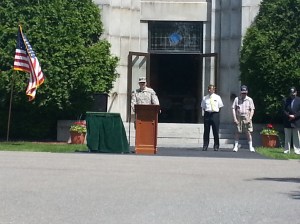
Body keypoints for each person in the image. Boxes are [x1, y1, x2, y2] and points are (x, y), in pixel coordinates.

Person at [232, 85, 255, 152]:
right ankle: (236, 146)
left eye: (245, 93)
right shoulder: (237, 99)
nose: (244, 94)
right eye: (242, 93)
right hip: (239, 116)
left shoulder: (249, 99)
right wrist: (234, 118)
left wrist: (250, 118)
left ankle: (250, 146)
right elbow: (233, 108)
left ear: (247, 92)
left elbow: (252, 109)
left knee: (248, 132)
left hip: (246, 116)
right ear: (240, 92)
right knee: (237, 132)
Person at [201, 84, 224, 151]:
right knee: (206, 131)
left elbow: (220, 107)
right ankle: (205, 145)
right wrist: (207, 112)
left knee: (215, 131)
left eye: (211, 89)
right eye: (209, 89)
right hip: (207, 114)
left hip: (215, 114)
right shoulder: (205, 98)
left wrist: (216, 113)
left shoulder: (217, 97)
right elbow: (203, 107)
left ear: (213, 90)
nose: (209, 90)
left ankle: (216, 145)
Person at [282, 87, 300, 154]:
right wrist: (289, 115)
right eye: (291, 93)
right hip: (288, 120)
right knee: (287, 137)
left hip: (296, 121)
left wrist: (295, 116)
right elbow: (283, 110)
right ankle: (287, 150)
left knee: (297, 137)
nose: (292, 94)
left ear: (296, 92)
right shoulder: (285, 100)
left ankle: (297, 150)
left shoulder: (299, 100)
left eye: (294, 93)